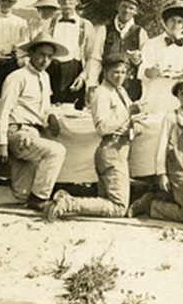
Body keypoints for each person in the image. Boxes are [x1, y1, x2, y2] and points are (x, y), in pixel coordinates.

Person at [45, 53, 145, 220]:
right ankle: (68, 203)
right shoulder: (101, 93)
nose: (120, 76)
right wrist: (128, 112)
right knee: (118, 207)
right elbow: (102, 127)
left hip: (120, 148)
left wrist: (134, 123)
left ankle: (67, 202)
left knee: (106, 201)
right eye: (115, 72)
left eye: (123, 72)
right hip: (111, 150)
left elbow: (127, 118)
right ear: (105, 72)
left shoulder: (120, 91)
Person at [0, 33, 67, 212]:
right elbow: (2, 111)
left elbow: (44, 108)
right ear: (31, 53)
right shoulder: (17, 77)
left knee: (20, 194)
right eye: (41, 54)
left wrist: (51, 116)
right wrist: (2, 143)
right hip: (18, 134)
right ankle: (40, 198)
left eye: (49, 56)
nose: (45, 60)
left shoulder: (44, 77)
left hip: (33, 133)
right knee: (57, 151)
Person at [130, 79, 183, 223]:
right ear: (177, 97)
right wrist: (162, 173)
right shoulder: (171, 117)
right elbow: (162, 145)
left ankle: (154, 197)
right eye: (182, 94)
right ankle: (151, 206)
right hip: (178, 168)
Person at [140, 0, 183, 114]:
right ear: (165, 22)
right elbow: (144, 70)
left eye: (179, 22)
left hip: (181, 94)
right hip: (158, 93)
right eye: (172, 20)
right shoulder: (151, 44)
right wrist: (152, 71)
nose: (175, 25)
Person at [46, 0, 104, 107]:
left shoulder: (85, 25)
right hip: (51, 72)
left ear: (77, 1)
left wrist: (83, 76)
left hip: (73, 73)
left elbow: (91, 56)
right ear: (58, 0)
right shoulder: (50, 24)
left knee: (72, 114)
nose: (66, 2)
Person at [101, 0, 148, 101]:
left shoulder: (140, 32)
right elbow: (95, 58)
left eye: (131, 8)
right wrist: (92, 84)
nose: (127, 10)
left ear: (136, 11)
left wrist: (138, 59)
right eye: (124, 6)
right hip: (106, 84)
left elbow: (146, 62)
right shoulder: (105, 29)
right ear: (118, 6)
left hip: (130, 86)